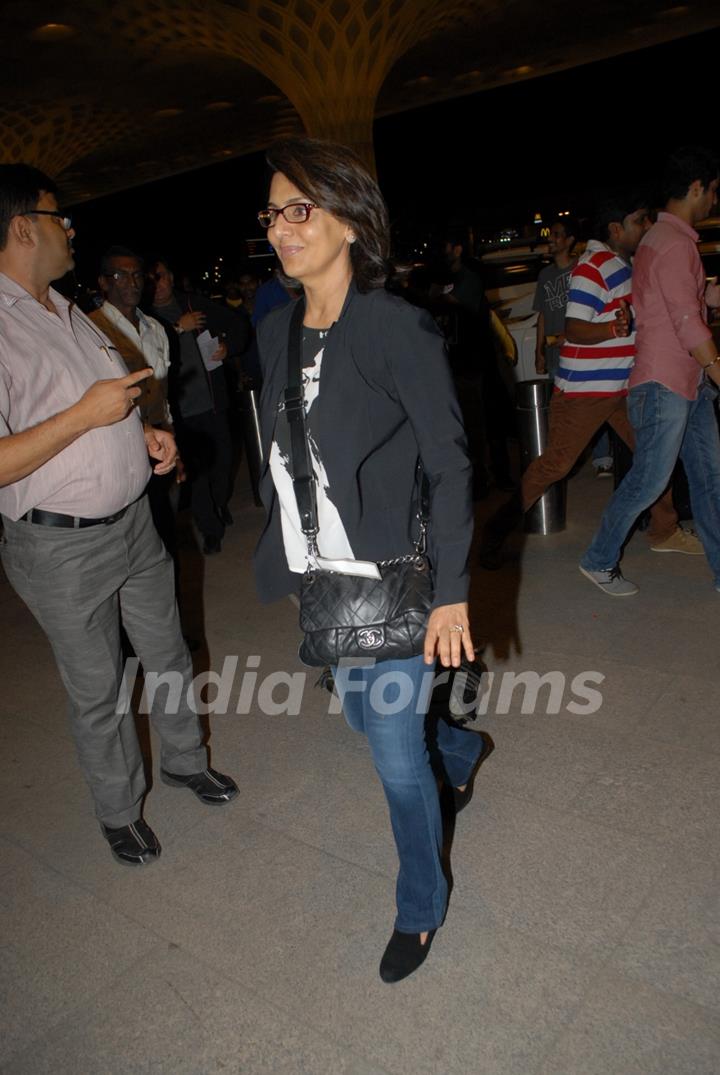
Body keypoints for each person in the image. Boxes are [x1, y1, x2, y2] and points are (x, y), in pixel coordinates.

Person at [253, 138, 486, 983]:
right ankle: (457, 754)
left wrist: (454, 595)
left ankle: (420, 905)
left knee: (391, 752)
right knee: (364, 719)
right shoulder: (275, 330)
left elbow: (452, 462)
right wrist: (289, 563)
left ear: (350, 220)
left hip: (399, 579)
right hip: (327, 583)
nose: (282, 227)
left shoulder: (393, 325)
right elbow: (281, 461)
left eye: (300, 209)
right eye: (274, 212)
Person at [0, 164, 237, 866]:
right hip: (60, 547)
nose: (70, 228)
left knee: (167, 653)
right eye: (56, 216)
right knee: (99, 687)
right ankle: (117, 809)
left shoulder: (69, 308)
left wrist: (142, 436)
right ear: (20, 227)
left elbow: (107, 407)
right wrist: (85, 415)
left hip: (135, 522)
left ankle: (186, 761)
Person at [503, 196, 692, 569]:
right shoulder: (593, 266)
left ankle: (665, 531)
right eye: (639, 220)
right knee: (555, 465)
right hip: (585, 391)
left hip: (621, 387)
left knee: (655, 456)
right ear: (616, 229)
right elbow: (573, 327)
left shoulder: (624, 264)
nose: (646, 226)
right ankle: (496, 530)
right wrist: (611, 327)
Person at [580, 147, 720, 595]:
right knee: (649, 481)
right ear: (696, 187)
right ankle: (598, 559)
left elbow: (669, 306)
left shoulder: (658, 240)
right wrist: (717, 367)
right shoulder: (676, 244)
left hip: (683, 383)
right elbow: (684, 320)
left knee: (710, 478)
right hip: (665, 384)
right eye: (713, 191)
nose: (714, 201)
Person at [148, 258, 248, 554]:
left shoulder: (193, 304)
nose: (158, 283)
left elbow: (237, 324)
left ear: (171, 276)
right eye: (151, 278)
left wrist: (228, 346)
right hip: (180, 412)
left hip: (213, 403)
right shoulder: (146, 316)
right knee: (198, 474)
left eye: (162, 276)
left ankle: (218, 505)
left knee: (224, 463)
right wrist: (179, 328)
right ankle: (211, 529)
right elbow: (150, 351)